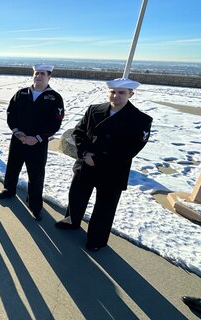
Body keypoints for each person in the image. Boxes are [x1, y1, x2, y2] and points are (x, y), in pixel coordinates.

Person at [55, 78, 152, 252]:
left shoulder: (140, 119)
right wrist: (84, 153)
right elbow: (79, 132)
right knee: (77, 196)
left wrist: (97, 159)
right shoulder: (94, 110)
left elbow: (130, 149)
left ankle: (97, 240)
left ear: (131, 94)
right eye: (113, 92)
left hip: (112, 170)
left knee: (104, 207)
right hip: (86, 164)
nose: (116, 96)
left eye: (121, 93)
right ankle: (71, 221)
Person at [0, 64, 64, 220]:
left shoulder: (54, 98)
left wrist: (37, 138)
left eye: (42, 74)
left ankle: (35, 205)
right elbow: (10, 113)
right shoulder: (21, 93)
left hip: (38, 145)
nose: (38, 76)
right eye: (36, 73)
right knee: (12, 167)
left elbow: (55, 123)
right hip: (18, 140)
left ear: (49, 77)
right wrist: (16, 132)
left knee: (36, 175)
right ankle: (9, 190)